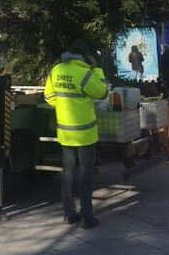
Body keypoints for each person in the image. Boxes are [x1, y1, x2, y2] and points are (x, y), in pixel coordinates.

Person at [44, 38, 109, 229]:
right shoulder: (85, 73)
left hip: (65, 131)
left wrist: (62, 106)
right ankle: (87, 216)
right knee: (87, 174)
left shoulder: (56, 70)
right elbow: (103, 92)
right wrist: (97, 69)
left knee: (68, 173)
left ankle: (69, 214)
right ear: (85, 57)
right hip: (85, 133)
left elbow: (48, 97)